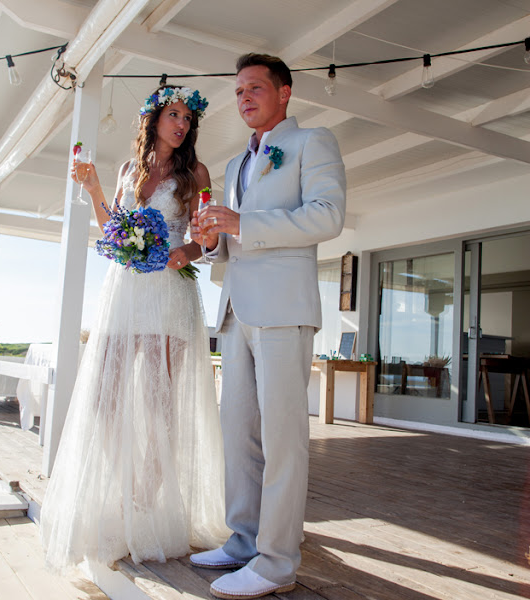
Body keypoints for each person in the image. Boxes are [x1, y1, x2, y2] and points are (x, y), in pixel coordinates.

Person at [40, 85, 229, 571]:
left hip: (169, 292)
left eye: (187, 118)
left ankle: (143, 501)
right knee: (104, 394)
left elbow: (207, 239)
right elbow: (113, 229)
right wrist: (94, 190)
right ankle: (125, 484)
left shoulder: (196, 174)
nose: (182, 124)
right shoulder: (129, 169)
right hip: (125, 290)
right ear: (154, 119)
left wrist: (186, 251)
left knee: (158, 400)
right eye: (174, 115)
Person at [190, 54, 346, 599]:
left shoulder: (313, 142)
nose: (244, 98)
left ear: (284, 93)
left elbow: (328, 215)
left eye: (255, 87)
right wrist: (213, 239)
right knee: (238, 435)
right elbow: (231, 241)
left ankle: (277, 562)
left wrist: (243, 222)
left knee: (283, 440)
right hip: (236, 313)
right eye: (238, 91)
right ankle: (243, 541)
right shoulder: (235, 163)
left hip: (283, 311)